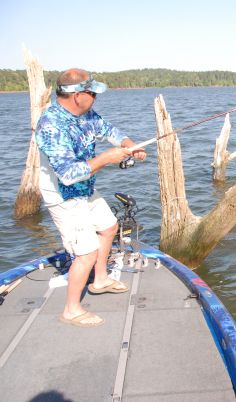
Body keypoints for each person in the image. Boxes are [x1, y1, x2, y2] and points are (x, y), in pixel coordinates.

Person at [35, 68, 147, 327]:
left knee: (109, 227)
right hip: (63, 195)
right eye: (93, 93)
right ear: (77, 95)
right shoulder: (50, 124)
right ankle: (71, 309)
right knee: (85, 252)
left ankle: (100, 281)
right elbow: (68, 174)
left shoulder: (85, 114)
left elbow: (110, 131)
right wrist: (107, 158)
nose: (96, 97)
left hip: (85, 190)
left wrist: (130, 145)